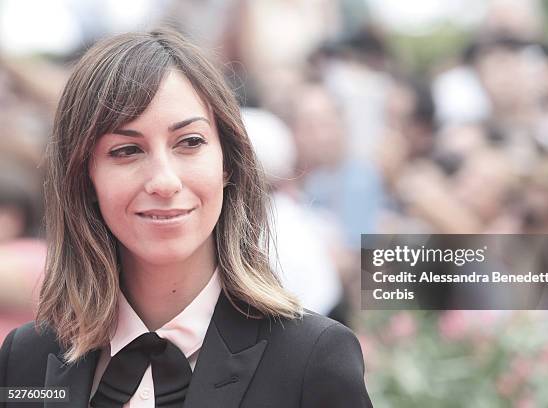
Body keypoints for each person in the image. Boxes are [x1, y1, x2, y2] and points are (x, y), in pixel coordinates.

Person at [0, 28, 372, 408]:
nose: (164, 180)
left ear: (227, 162)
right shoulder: (26, 359)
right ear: (84, 177)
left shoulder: (310, 358)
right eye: (127, 150)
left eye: (190, 142)